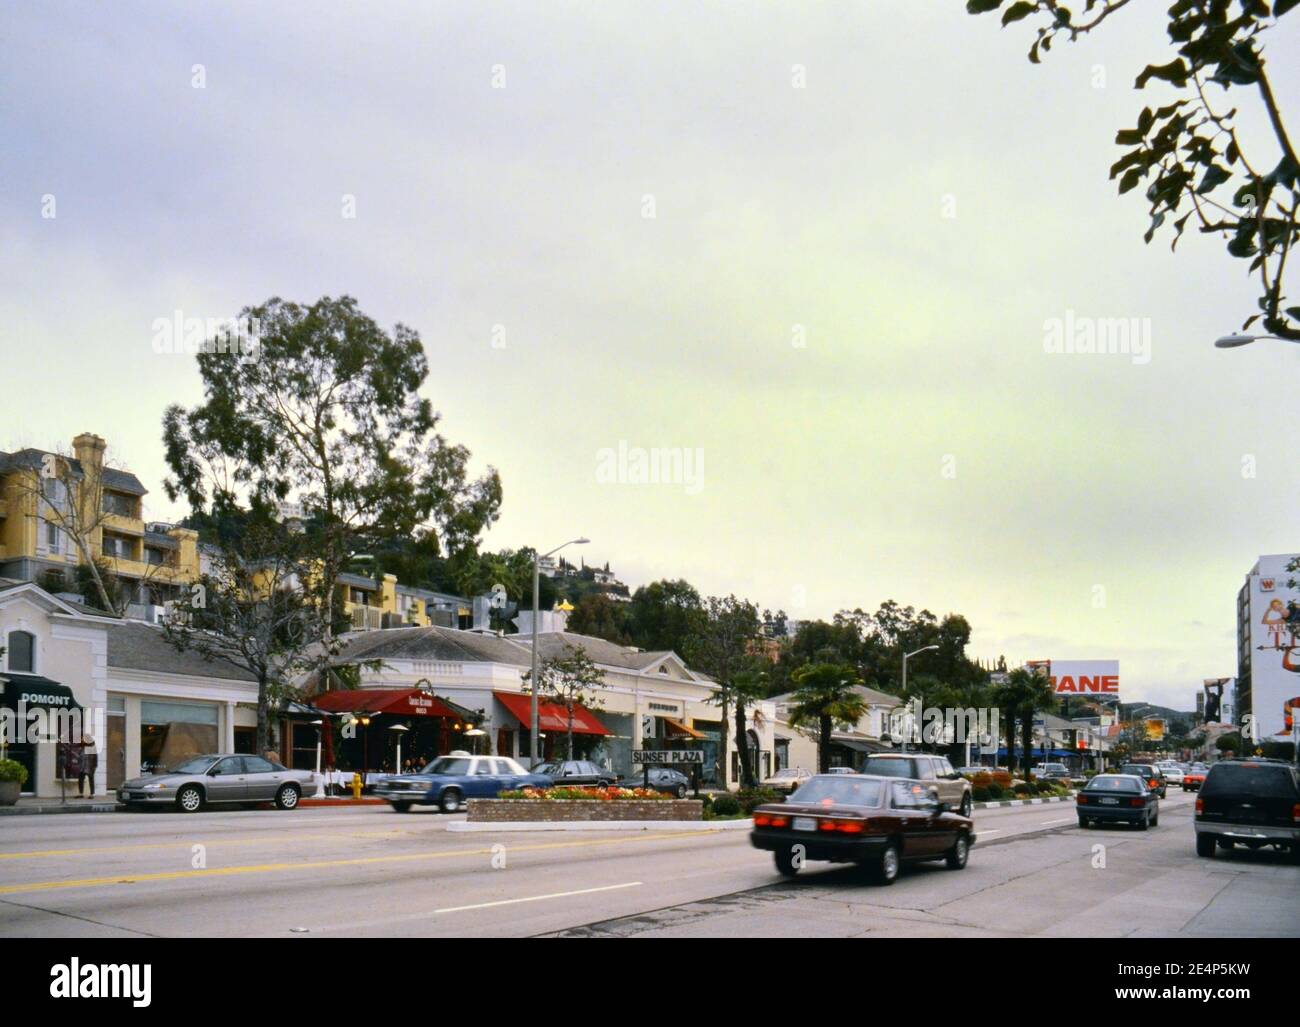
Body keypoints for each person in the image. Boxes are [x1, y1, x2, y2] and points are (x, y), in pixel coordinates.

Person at [79, 733, 98, 797]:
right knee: (81, 779)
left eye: (83, 738)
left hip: (90, 766)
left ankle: (92, 794)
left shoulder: (92, 747)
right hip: (82, 766)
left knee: (91, 779)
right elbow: (80, 755)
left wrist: (95, 766)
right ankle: (81, 793)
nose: (82, 739)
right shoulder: (82, 746)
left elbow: (95, 757)